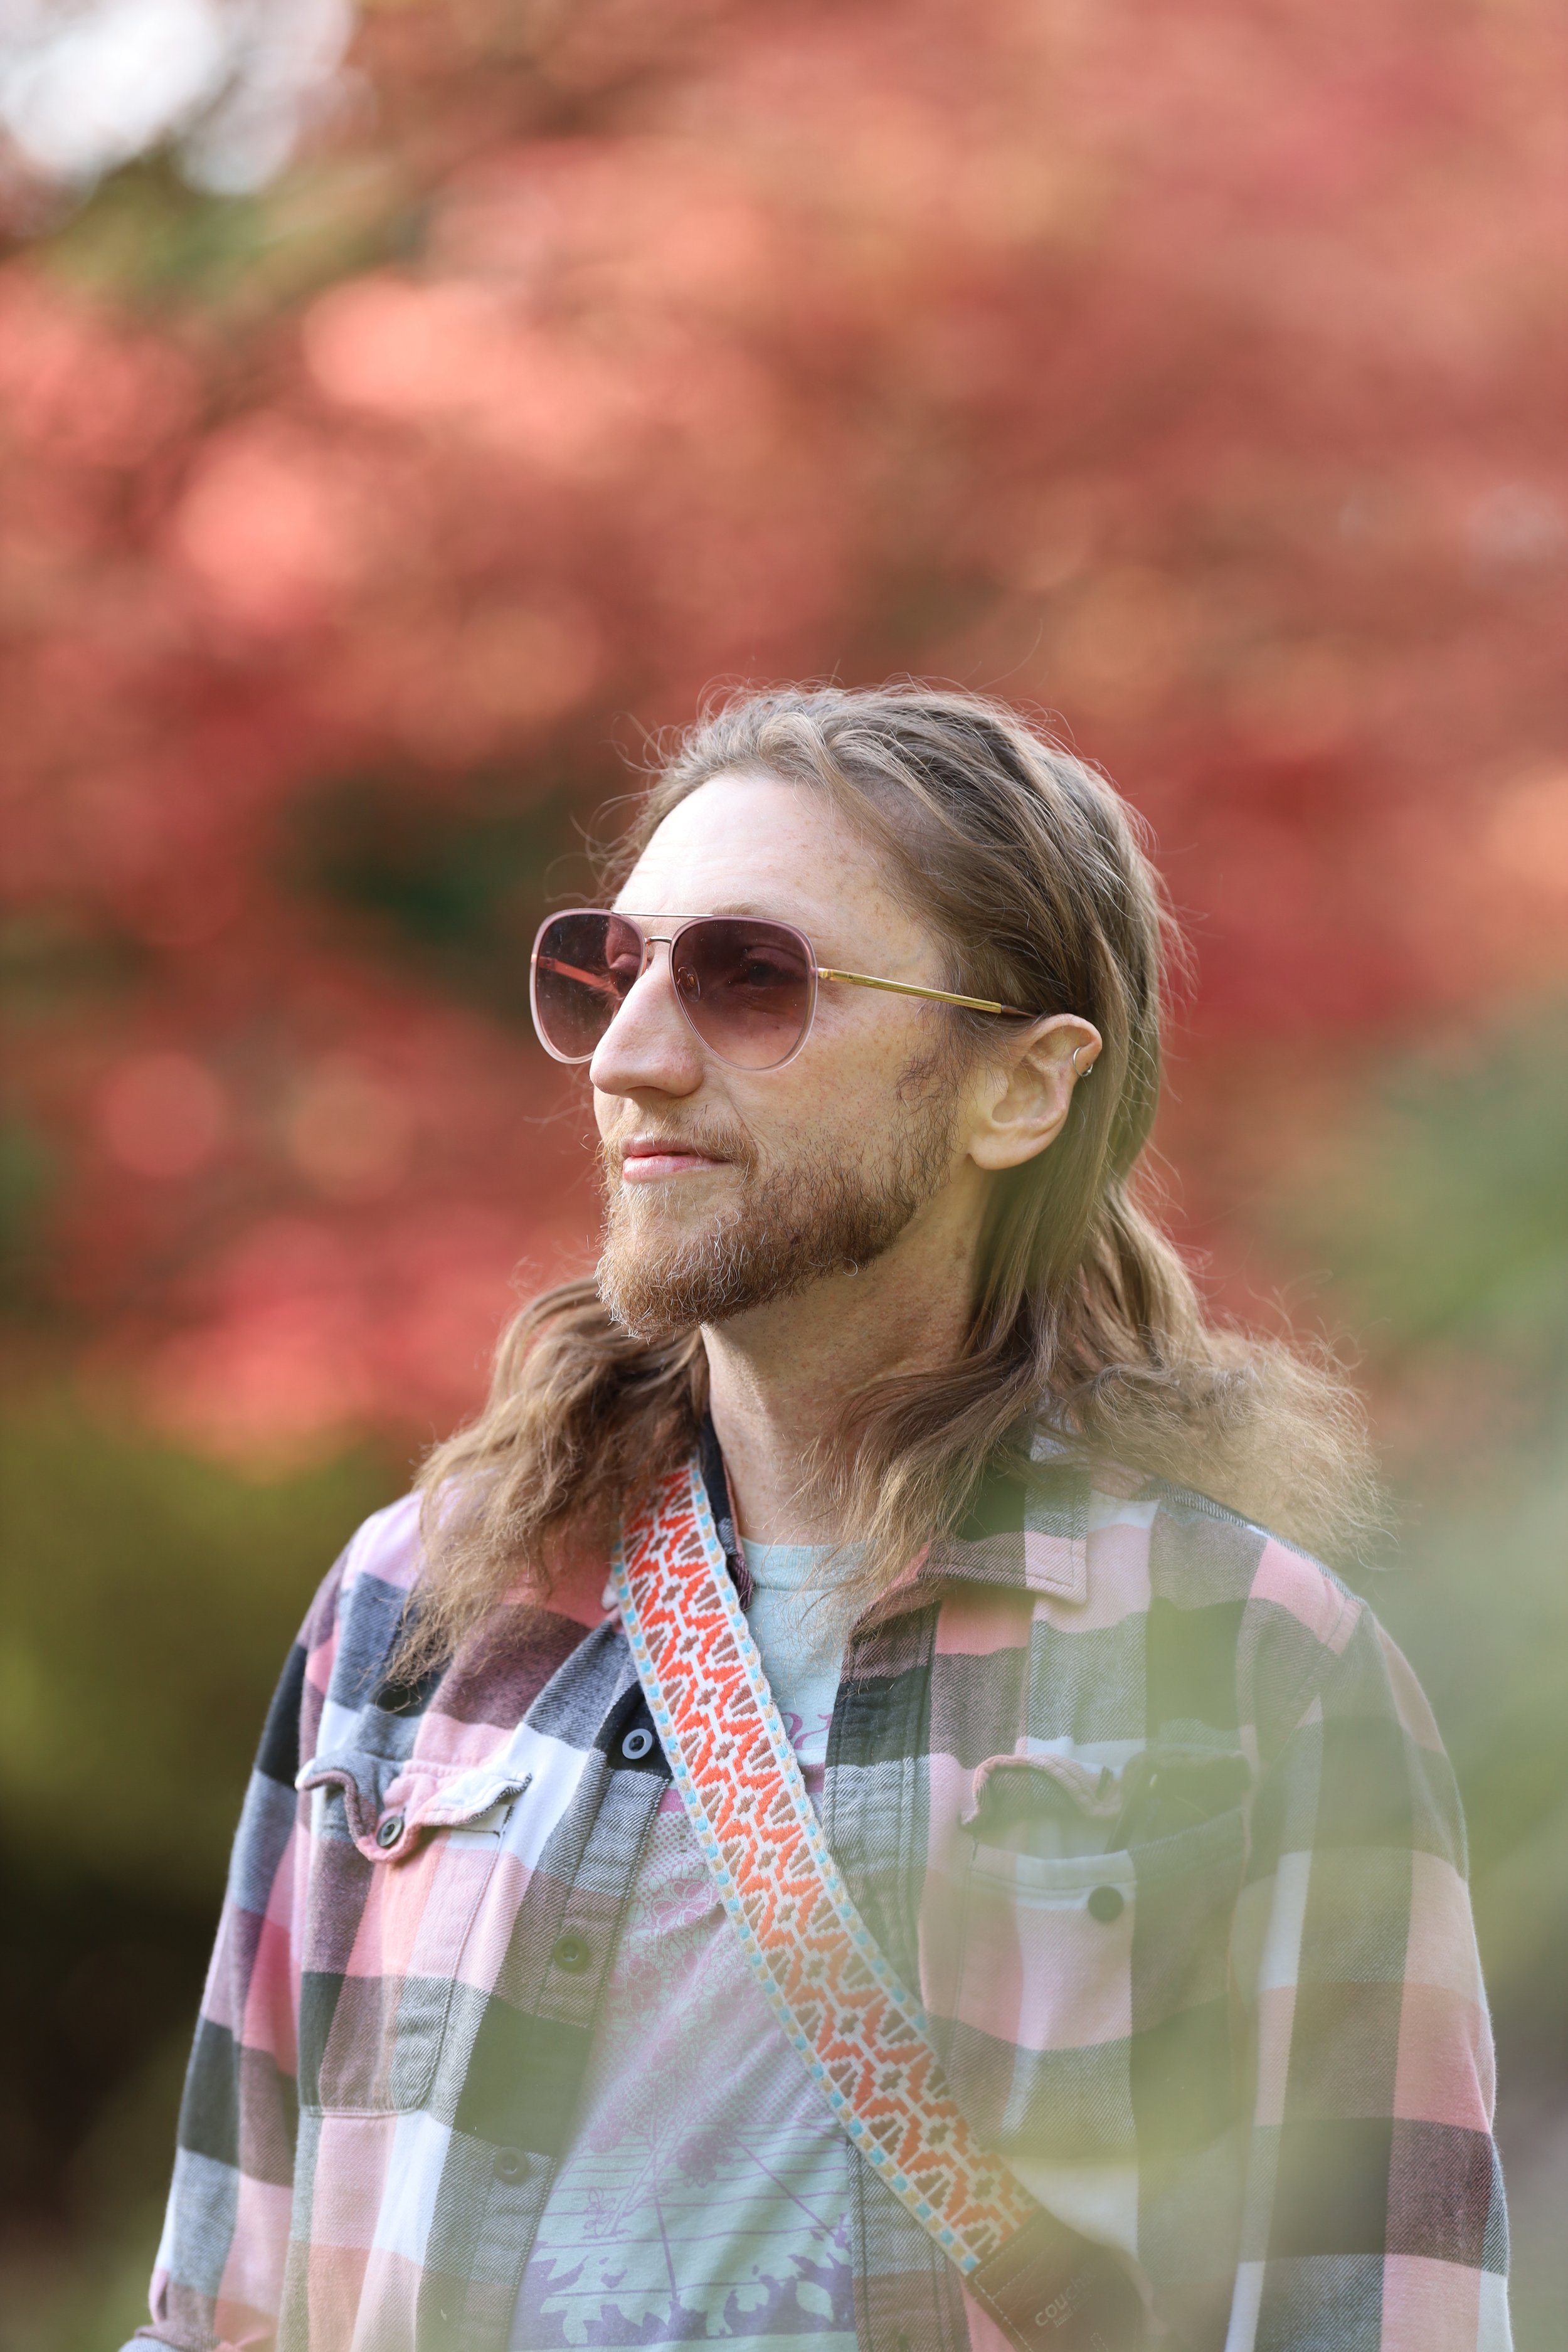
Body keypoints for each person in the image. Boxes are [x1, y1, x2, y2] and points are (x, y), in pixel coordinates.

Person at [129, 686, 1510, 2352]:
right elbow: (221, 2314)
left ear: (1020, 1089)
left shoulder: (1256, 1671)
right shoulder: (418, 1604)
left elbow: (1376, 2315)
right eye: (612, 971)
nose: (629, 1057)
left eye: (750, 979)